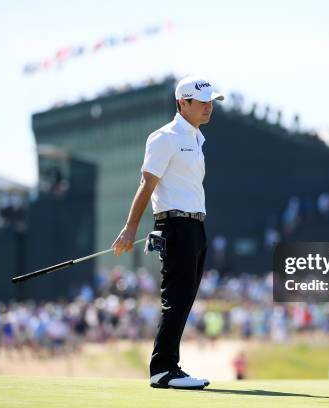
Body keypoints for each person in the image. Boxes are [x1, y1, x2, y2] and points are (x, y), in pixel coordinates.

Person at [112, 75, 224, 390]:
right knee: (175, 298)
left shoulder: (196, 138)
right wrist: (130, 228)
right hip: (175, 226)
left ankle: (170, 365)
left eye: (210, 102)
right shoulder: (164, 137)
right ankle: (162, 369)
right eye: (201, 102)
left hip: (195, 226)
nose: (208, 107)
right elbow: (146, 184)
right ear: (182, 103)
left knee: (185, 298)